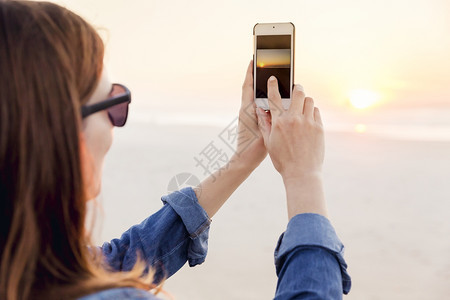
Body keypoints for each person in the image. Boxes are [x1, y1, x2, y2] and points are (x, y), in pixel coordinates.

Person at [0, 1, 351, 299]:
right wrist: (304, 179)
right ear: (65, 140)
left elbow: (116, 261)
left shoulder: (22, 266)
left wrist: (243, 156)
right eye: (114, 103)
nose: (115, 122)